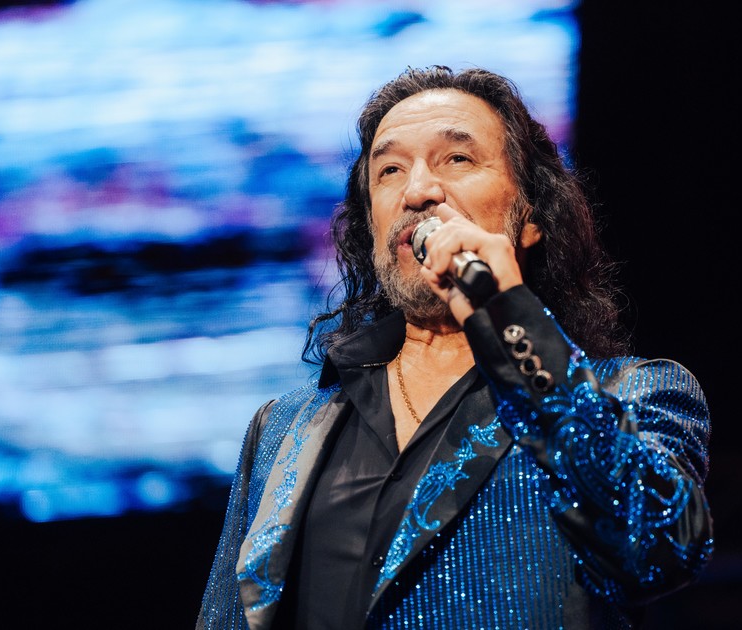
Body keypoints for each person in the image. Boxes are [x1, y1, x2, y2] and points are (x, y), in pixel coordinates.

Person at [195, 65, 713, 630]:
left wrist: (509, 313)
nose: (417, 191)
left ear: (530, 218)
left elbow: (659, 547)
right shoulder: (282, 428)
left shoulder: (634, 392)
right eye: (390, 170)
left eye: (457, 159)